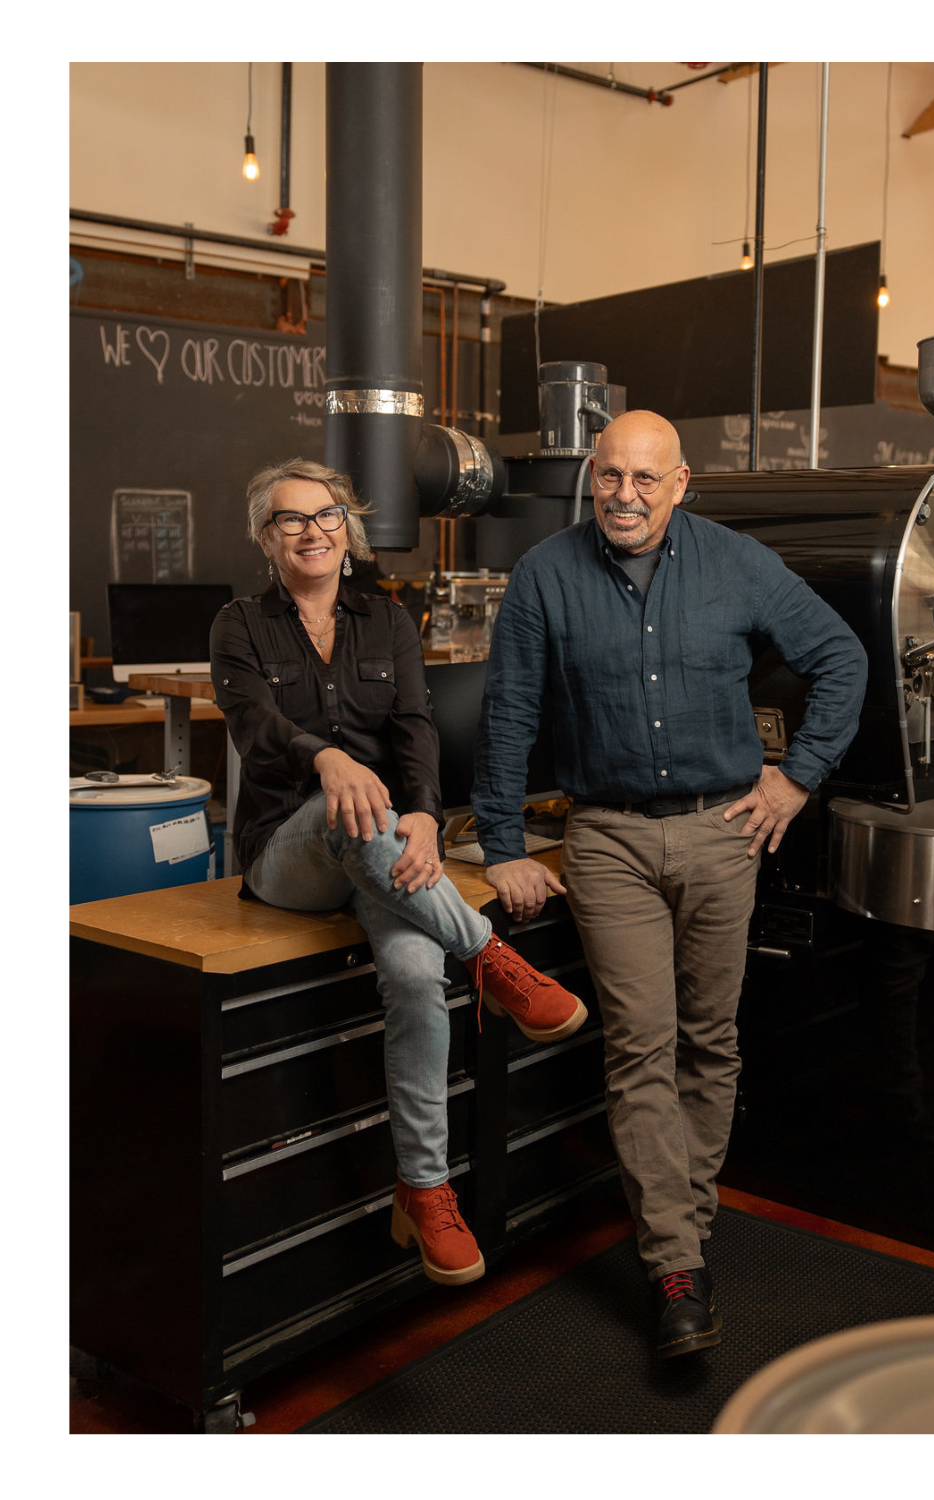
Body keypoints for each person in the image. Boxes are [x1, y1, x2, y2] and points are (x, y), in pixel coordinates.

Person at [474, 411, 867, 1362]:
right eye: (610, 477)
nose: (625, 496)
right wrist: (496, 840)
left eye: (646, 480)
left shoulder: (737, 563)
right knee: (641, 1046)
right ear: (592, 479)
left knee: (710, 1039)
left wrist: (797, 776)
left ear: (681, 483)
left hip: (724, 830)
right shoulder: (546, 574)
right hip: (606, 838)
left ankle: (677, 1224)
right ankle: (677, 1268)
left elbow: (841, 659)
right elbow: (511, 710)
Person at [210, 458, 588, 1290]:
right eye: (290, 520)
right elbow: (256, 728)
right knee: (353, 808)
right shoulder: (238, 626)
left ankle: (423, 1188)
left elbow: (416, 729)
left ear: (349, 525)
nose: (311, 531)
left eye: (327, 514)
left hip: (386, 852)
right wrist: (332, 760)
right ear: (265, 540)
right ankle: (488, 953)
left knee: (417, 974)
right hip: (288, 853)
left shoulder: (388, 619)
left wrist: (422, 813)